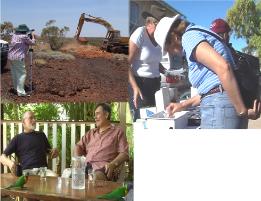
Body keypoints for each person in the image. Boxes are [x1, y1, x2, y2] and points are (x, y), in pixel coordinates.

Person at [154, 15, 261, 129]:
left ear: (174, 36)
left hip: (220, 109)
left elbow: (224, 68)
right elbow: (212, 89)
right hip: (225, 105)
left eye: (168, 48)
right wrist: (182, 105)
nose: (171, 53)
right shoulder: (200, 33)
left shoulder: (189, 36)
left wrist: (241, 111)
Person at [74, 103, 129, 181]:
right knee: (69, 176)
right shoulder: (91, 133)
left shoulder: (117, 132)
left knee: (94, 178)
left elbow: (124, 153)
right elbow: (78, 146)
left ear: (106, 115)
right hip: (86, 167)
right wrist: (78, 160)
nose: (95, 117)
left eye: (97, 114)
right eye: (94, 115)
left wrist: (113, 164)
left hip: (103, 169)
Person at [0, 111, 59, 176]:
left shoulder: (41, 135)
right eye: (31, 118)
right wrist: (10, 163)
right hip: (26, 173)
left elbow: (50, 154)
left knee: (55, 176)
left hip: (43, 172)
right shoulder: (18, 138)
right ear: (23, 122)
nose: (34, 120)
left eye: (34, 118)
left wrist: (55, 152)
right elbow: (2, 158)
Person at [128, 15, 162, 121]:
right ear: (149, 24)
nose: (161, 29)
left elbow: (155, 62)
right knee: (141, 119)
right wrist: (135, 87)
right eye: (158, 25)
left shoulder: (160, 38)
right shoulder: (140, 33)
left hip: (155, 84)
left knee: (154, 118)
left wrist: (168, 72)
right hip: (140, 84)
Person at [8, 24, 36, 97]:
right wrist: (32, 36)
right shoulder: (24, 37)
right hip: (18, 57)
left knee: (15, 73)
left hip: (11, 57)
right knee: (22, 74)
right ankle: (21, 92)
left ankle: (15, 88)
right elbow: (32, 43)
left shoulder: (14, 35)